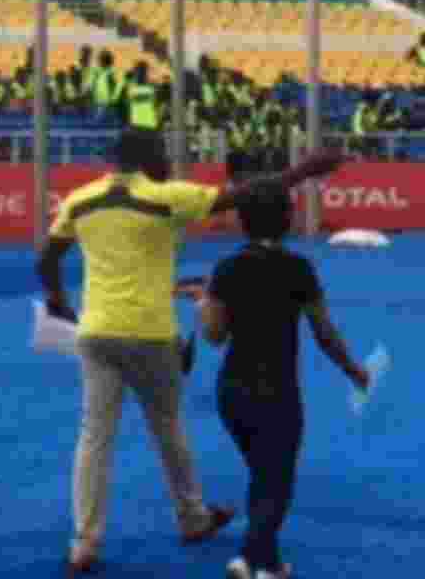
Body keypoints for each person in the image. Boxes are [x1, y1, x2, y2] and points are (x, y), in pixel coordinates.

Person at [35, 128, 343, 574]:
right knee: (168, 428)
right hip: (149, 331)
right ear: (147, 159)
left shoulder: (79, 200)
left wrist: (57, 300)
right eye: (162, 153)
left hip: (96, 330)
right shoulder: (166, 196)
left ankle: (85, 542)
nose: (168, 162)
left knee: (94, 436)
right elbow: (250, 194)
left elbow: (47, 258)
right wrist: (306, 170)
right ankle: (193, 516)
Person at [192, 183, 369, 579]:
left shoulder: (227, 268)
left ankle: (265, 561)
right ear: (286, 221)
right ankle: (250, 558)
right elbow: (324, 332)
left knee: (262, 474)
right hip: (277, 393)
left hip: (232, 393)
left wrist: (205, 304)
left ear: (243, 222)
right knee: (276, 483)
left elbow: (214, 336)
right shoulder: (299, 269)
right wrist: (353, 369)